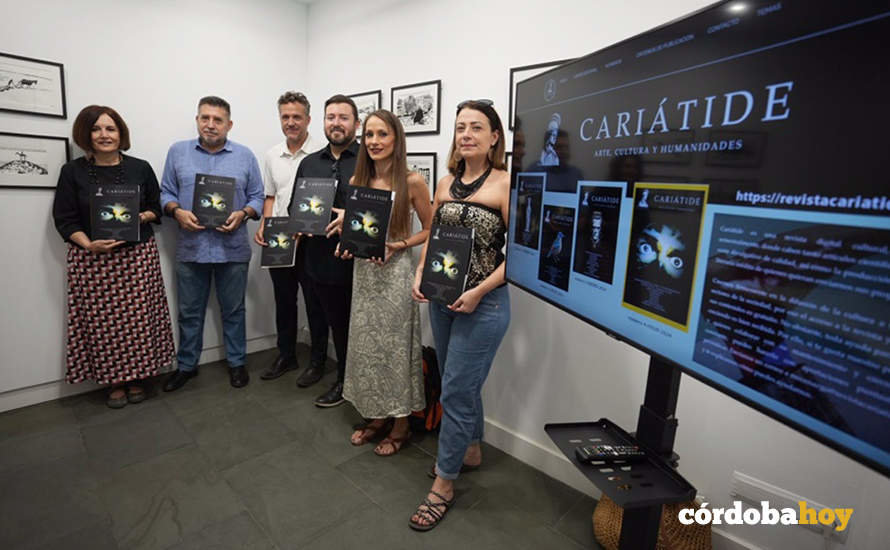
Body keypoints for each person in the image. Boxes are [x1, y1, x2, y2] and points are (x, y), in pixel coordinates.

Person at [409, 100, 511, 531]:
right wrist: (419, 271)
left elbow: (522, 255)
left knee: (454, 390)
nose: (466, 134)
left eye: (476, 127)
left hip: (483, 304)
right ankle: (470, 450)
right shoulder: (446, 182)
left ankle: (443, 486)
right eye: (460, 127)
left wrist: (479, 291)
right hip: (441, 299)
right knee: (458, 380)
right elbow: (433, 235)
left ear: (493, 138)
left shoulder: (507, 184)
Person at [52, 105, 175, 408]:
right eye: (96, 129)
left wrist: (138, 217)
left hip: (136, 258)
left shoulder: (140, 168)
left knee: (138, 322)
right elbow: (65, 219)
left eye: (110, 128)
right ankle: (114, 381)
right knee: (102, 326)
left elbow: (156, 208)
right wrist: (88, 244)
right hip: (92, 261)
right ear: (86, 134)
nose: (104, 135)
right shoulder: (72, 172)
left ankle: (138, 377)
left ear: (121, 133)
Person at [334, 110, 433, 455]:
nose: (374, 142)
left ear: (396, 140)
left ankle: (401, 425)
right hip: (364, 274)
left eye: (382, 135)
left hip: (396, 274)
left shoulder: (413, 181)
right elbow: (360, 230)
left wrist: (400, 245)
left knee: (395, 351)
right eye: (370, 135)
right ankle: (376, 417)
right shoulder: (359, 181)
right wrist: (347, 243)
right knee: (367, 348)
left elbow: (430, 229)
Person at [159, 96, 264, 391]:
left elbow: (257, 196)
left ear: (229, 124)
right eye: (205, 118)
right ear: (197, 120)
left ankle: (237, 362)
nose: (210, 124)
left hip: (233, 249)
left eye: (218, 120)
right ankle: (187, 366)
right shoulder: (177, 152)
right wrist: (176, 212)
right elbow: (165, 193)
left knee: (234, 310)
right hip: (191, 248)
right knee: (189, 312)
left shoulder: (245, 156)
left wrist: (244, 213)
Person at [286, 94, 359, 406]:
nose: (336, 123)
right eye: (331, 117)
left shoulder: (369, 160)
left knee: (345, 326)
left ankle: (345, 381)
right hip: (315, 258)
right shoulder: (309, 162)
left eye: (343, 117)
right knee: (316, 315)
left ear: (356, 123)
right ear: (323, 122)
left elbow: (381, 211)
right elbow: (294, 207)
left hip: (352, 261)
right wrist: (298, 223)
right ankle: (317, 364)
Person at [254, 91, 323, 381]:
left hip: (312, 241)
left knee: (315, 303)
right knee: (284, 300)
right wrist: (264, 224)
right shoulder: (272, 155)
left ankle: (318, 362)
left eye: (297, 116)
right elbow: (270, 196)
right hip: (280, 238)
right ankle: (287, 355)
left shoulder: (321, 153)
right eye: (286, 116)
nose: (291, 122)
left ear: (308, 119)